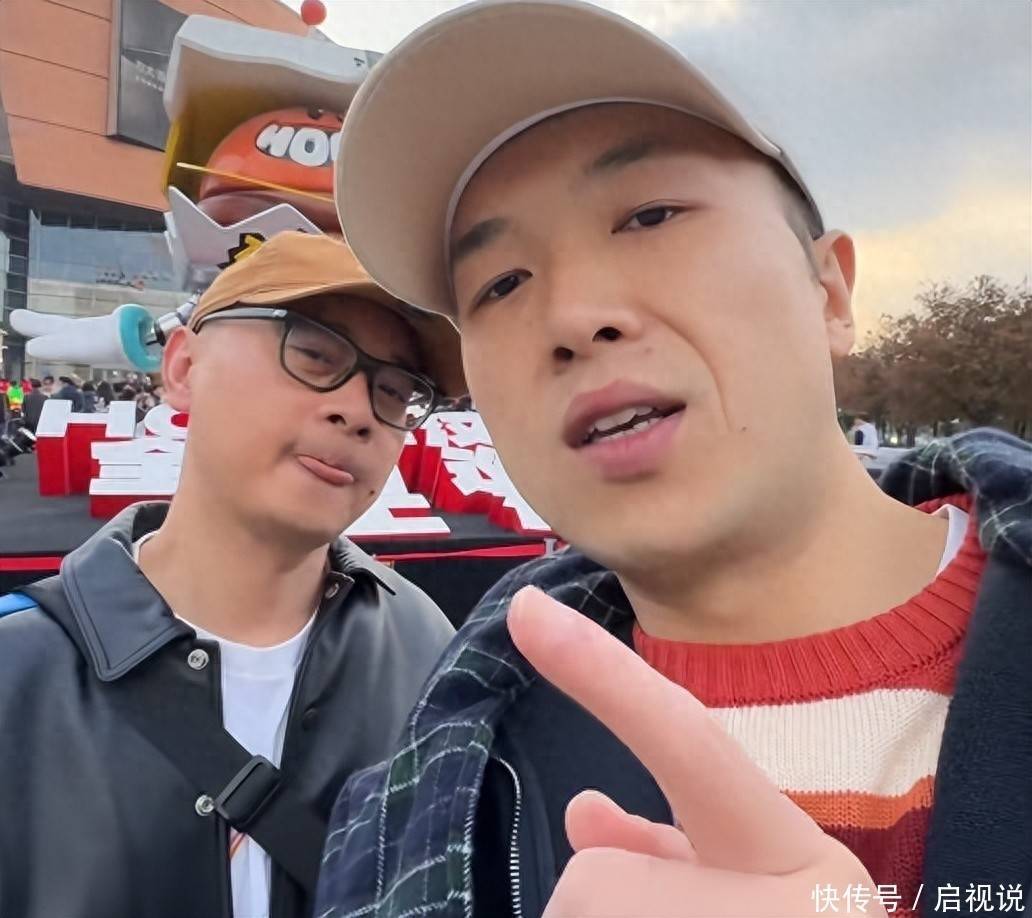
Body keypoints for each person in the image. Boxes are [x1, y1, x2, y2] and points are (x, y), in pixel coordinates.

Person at [316, 3, 1032, 917]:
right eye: (500, 284)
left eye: (649, 216)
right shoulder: (413, 823)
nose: (573, 317)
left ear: (829, 292)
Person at [0, 231, 465, 918]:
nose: (358, 411)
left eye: (397, 391)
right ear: (183, 367)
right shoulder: (19, 673)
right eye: (314, 354)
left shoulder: (427, 647)